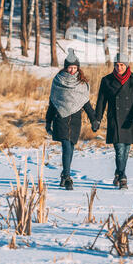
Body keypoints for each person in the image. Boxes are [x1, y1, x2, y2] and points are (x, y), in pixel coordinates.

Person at [45, 48, 99, 190]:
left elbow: (86, 103)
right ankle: (68, 177)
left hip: (75, 119)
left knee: (71, 147)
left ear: (78, 68)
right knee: (66, 146)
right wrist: (48, 121)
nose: (72, 70)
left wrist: (94, 119)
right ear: (66, 67)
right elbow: (52, 103)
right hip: (60, 118)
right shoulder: (58, 81)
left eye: (74, 68)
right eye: (70, 67)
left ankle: (64, 174)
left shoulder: (81, 84)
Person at [95, 53, 133, 189]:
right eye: (116, 65)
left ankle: (118, 172)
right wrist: (97, 119)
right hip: (114, 119)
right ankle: (122, 177)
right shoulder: (106, 80)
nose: (119, 67)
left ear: (126, 65)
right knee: (120, 150)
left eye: (122, 65)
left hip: (130, 119)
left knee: (126, 150)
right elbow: (101, 101)